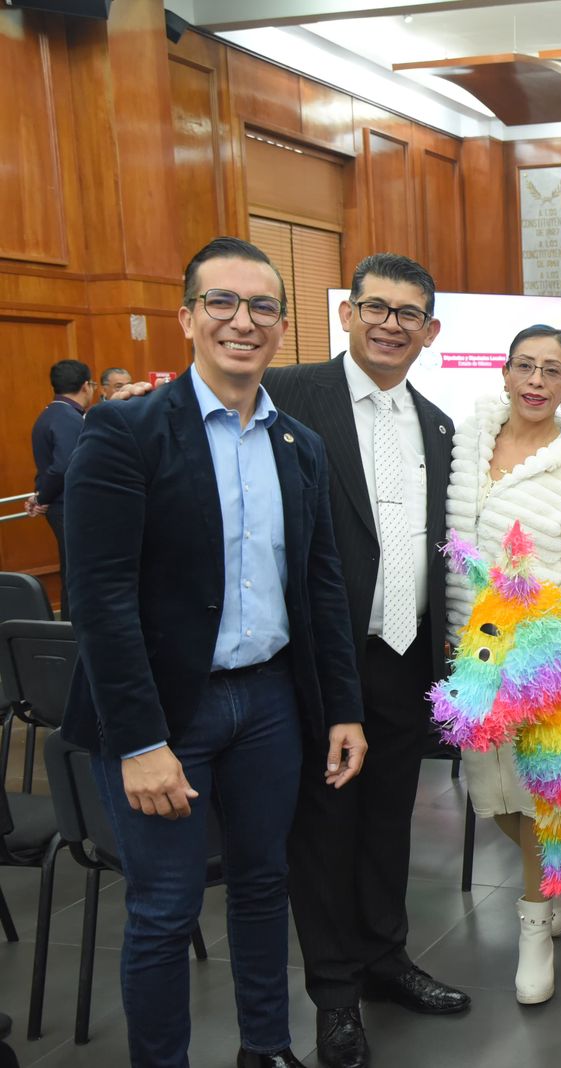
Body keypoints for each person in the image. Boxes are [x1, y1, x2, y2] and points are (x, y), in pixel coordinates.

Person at [60, 236, 367, 1068]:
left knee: (265, 885)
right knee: (165, 909)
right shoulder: (124, 433)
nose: (243, 321)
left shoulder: (298, 445)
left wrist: (342, 707)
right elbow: (99, 602)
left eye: (263, 306)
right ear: (188, 316)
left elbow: (322, 589)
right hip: (164, 713)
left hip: (268, 703)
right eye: (222, 302)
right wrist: (140, 740)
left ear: (283, 325)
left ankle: (266, 1048)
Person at [263, 253, 468, 1068]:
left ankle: (386, 958)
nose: (390, 325)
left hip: (405, 654)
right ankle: (335, 995)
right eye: (375, 308)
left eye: (407, 313)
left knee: (388, 821)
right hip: (321, 659)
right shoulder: (287, 394)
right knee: (325, 831)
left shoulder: (438, 424)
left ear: (430, 330)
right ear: (346, 314)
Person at [443, 325, 561, 1003]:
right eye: (525, 367)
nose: (536, 381)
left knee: (537, 796)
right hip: (472, 650)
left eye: (552, 370)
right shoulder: (468, 438)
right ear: (505, 373)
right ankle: (559, 872)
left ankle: (535, 931)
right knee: (493, 797)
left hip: (539, 647)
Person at [28, 359, 94, 620]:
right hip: (67, 505)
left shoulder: (51, 413)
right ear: (86, 386)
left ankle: (70, 626)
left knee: (74, 569)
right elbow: (63, 466)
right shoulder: (68, 417)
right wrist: (42, 497)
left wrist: (41, 495)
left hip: (59, 504)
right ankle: (71, 629)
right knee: (77, 571)